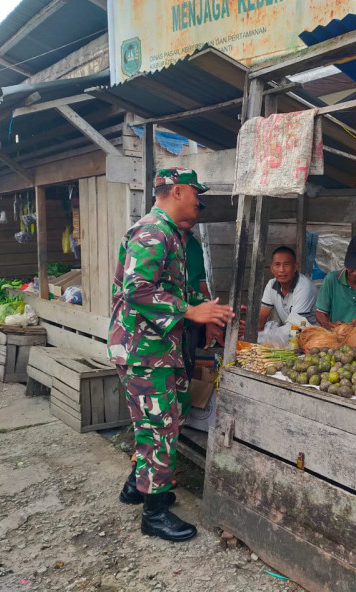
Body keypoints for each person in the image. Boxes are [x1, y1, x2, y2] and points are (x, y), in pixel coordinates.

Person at [107, 168, 234, 544]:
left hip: (157, 349)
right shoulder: (153, 232)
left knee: (162, 419)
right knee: (161, 425)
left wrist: (204, 310)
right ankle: (154, 514)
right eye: (197, 194)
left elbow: (169, 289)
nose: (201, 202)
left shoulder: (172, 235)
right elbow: (137, 289)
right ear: (177, 191)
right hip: (143, 349)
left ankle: (139, 486)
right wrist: (190, 312)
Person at [258, 246, 318, 331]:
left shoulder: (304, 288)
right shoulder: (271, 285)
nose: (281, 270)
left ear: (295, 267)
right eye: (277, 265)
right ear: (271, 269)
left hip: (313, 337)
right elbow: (261, 318)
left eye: (286, 264)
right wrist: (246, 328)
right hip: (290, 335)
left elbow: (295, 326)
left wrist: (269, 334)